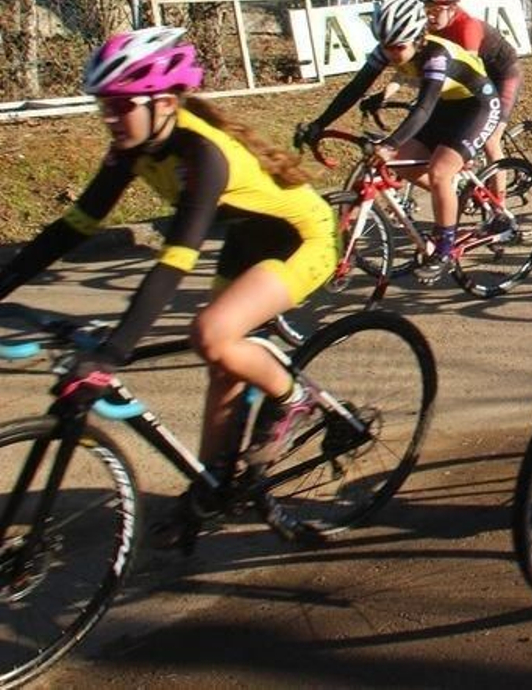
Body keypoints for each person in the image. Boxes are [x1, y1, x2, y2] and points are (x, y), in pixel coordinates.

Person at [0, 27, 337, 544]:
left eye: (120, 105)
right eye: (104, 106)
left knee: (212, 334)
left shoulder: (204, 155)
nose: (110, 118)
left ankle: (295, 396)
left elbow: (173, 262)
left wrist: (112, 355)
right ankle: (212, 486)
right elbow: (72, 229)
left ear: (162, 102)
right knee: (221, 363)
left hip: (302, 238)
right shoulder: (132, 147)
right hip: (250, 238)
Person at [299, 0, 500, 281]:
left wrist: (390, 144)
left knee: (440, 172)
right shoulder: (389, 48)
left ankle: (443, 249)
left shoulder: (436, 56)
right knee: (402, 165)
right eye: (386, 46)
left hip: (477, 105)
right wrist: (318, 124)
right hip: (445, 105)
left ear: (418, 37)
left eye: (398, 47)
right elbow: (354, 90)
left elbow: (423, 108)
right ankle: (452, 198)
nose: (391, 53)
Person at [400, 0, 522, 168]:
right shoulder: (428, 27)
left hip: (500, 74)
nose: (429, 16)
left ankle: (499, 198)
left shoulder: (467, 27)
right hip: (475, 77)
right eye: (426, 9)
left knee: (490, 140)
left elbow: (469, 72)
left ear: (452, 8)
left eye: (436, 10)